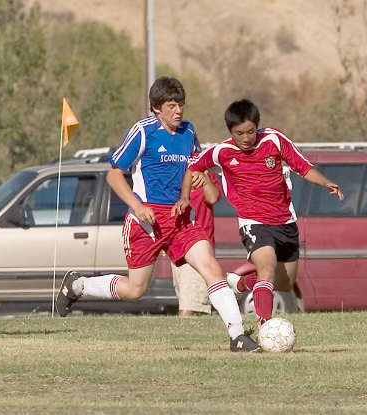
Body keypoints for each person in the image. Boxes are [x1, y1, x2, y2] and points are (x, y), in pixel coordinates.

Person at [56, 77, 259, 352]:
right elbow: (114, 175)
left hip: (180, 218)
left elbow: (192, 167)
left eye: (181, 105)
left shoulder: (188, 132)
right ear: (156, 108)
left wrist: (190, 189)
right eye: (171, 106)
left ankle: (237, 336)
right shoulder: (143, 131)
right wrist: (138, 206)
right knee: (135, 290)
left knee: (210, 266)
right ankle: (78, 285)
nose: (178, 111)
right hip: (146, 221)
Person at [188, 99, 344, 327]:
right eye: (239, 133)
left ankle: (239, 285)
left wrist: (326, 182)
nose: (245, 138)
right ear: (230, 130)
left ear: (258, 126)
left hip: (285, 221)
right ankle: (266, 327)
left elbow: (303, 167)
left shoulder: (274, 140)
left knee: (285, 283)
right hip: (254, 222)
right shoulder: (221, 152)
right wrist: (196, 180)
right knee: (267, 266)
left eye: (250, 131)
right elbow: (192, 164)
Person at [171, 171, 222, 316]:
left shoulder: (204, 173)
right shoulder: (173, 171)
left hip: (197, 245)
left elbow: (212, 198)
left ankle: (181, 336)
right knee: (189, 300)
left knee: (191, 305)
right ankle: (195, 335)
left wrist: (204, 174)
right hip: (177, 246)